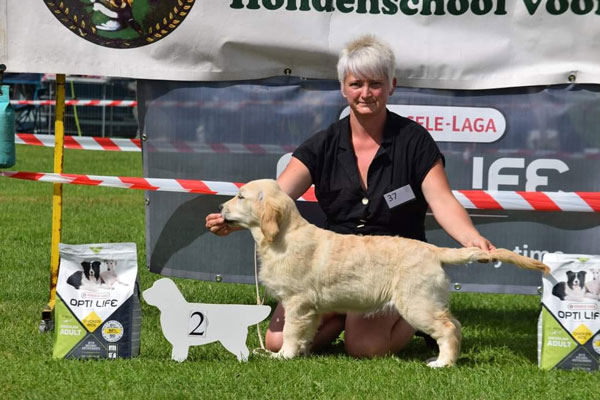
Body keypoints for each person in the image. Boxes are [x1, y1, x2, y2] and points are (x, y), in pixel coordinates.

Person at [205, 34, 495, 358]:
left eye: (375, 83)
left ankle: (409, 309)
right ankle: (343, 313)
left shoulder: (414, 141)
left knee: (365, 347)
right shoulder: (324, 143)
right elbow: (275, 197)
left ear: (391, 86)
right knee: (275, 342)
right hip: (332, 268)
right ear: (343, 87)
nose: (366, 93)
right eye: (357, 84)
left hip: (389, 265)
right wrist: (234, 219)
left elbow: (441, 200)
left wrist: (471, 238)